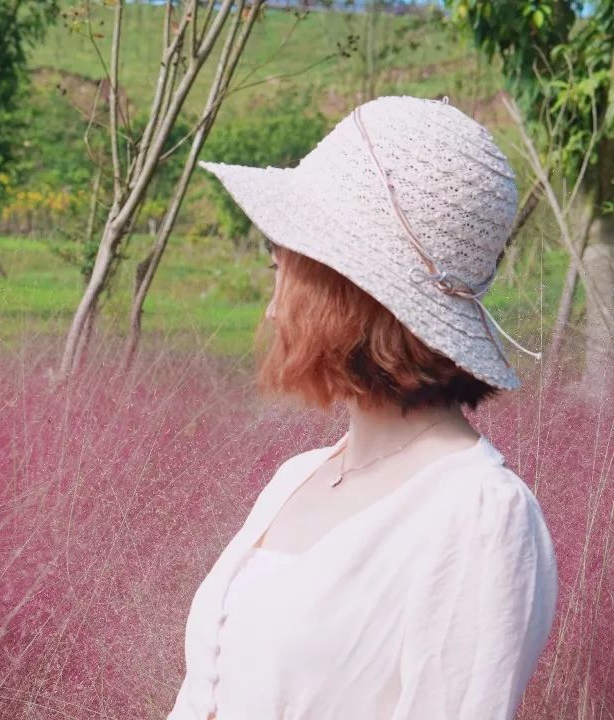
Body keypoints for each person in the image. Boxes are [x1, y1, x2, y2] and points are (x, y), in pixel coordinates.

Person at [167, 96, 559, 720]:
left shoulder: (478, 516)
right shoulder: (297, 477)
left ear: (351, 292)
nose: (272, 309)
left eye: (281, 272)